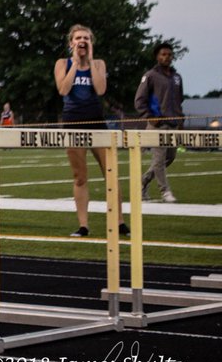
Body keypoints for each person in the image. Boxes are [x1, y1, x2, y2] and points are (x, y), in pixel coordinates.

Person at [54, 24, 129, 238]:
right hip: (73, 121)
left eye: (86, 38)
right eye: (78, 38)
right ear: (71, 43)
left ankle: (119, 221)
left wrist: (90, 61)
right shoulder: (62, 63)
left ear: (91, 42)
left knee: (111, 172)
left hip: (96, 121)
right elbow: (63, 89)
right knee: (80, 177)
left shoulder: (98, 64)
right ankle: (84, 225)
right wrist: (76, 64)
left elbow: (100, 89)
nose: (82, 41)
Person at [134, 42, 184, 203]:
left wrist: (179, 117)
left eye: (169, 54)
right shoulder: (150, 75)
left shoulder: (177, 77)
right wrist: (149, 116)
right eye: (163, 54)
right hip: (157, 125)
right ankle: (165, 191)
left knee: (170, 158)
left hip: (173, 124)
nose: (167, 57)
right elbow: (139, 100)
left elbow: (179, 99)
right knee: (159, 159)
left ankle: (143, 181)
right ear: (157, 56)